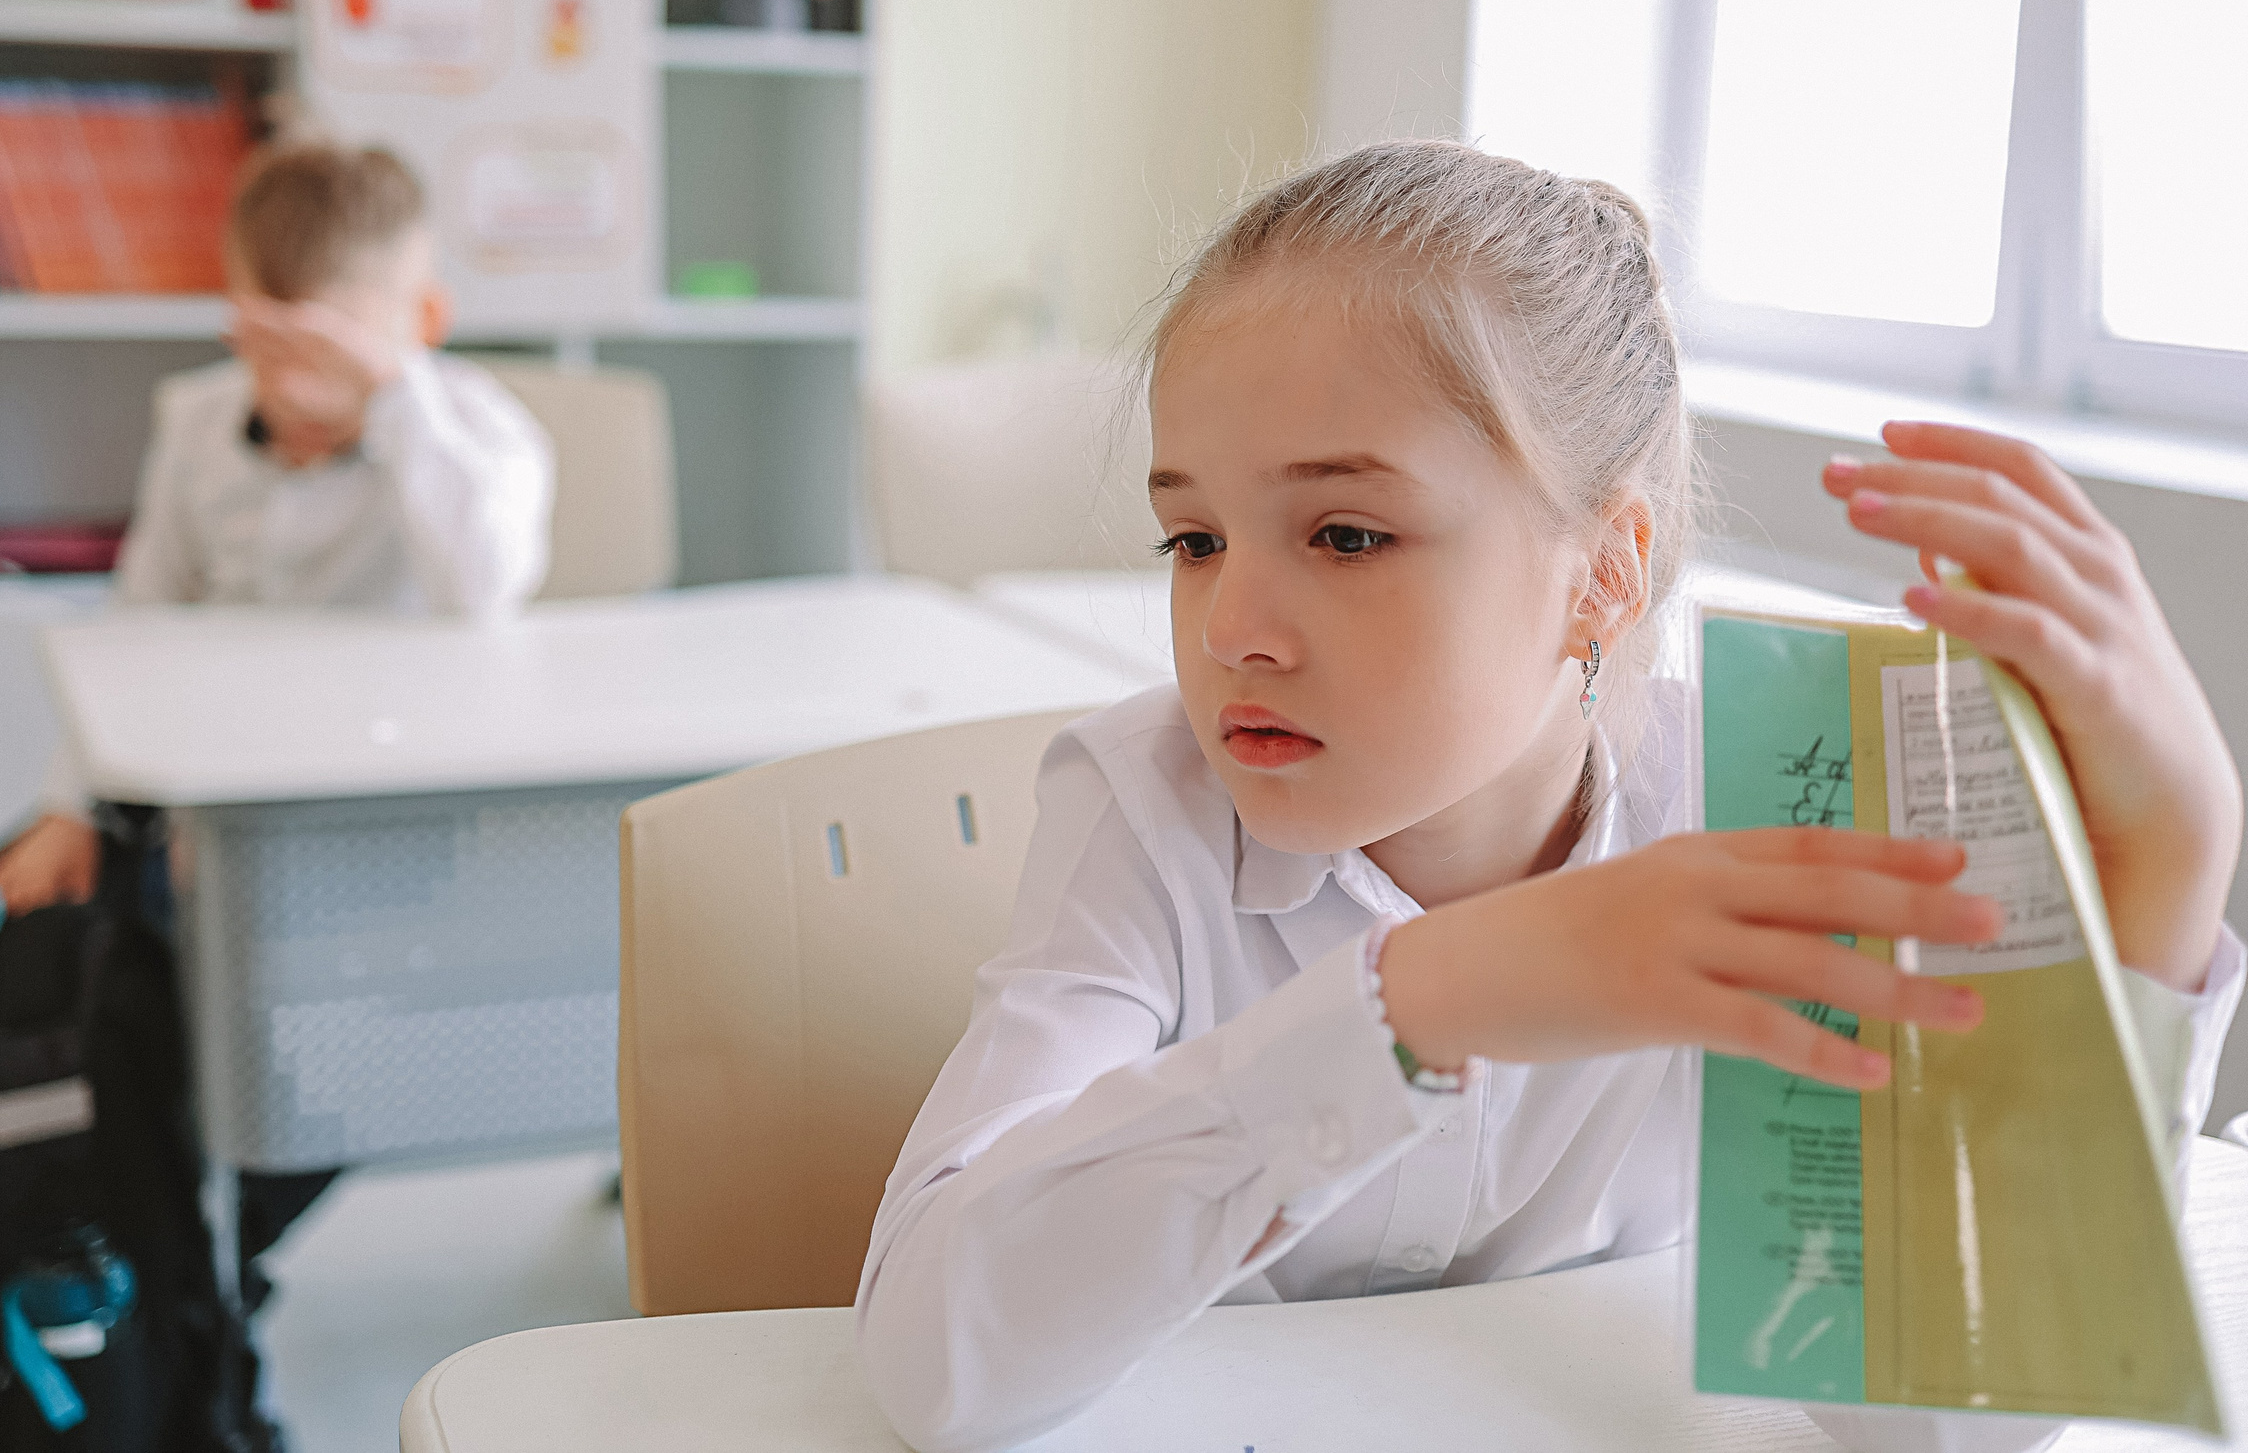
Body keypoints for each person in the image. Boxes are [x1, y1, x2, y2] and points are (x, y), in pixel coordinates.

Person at [854, 140, 2245, 1453]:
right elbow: (934, 1360)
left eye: (1346, 534)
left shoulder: (1765, 803)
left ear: (1605, 573)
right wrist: (1423, 999)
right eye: (1194, 538)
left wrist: (2169, 876)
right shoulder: (1143, 809)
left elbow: (1944, 1416)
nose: (1231, 629)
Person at [0, 140, 553, 915]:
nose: (292, 388)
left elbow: (483, 586)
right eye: (266, 343)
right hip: (219, 785)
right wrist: (71, 804)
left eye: (329, 351)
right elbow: (140, 622)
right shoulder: (197, 420)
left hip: (398, 805)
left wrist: (390, 394)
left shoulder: (481, 433)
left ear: (424, 320)